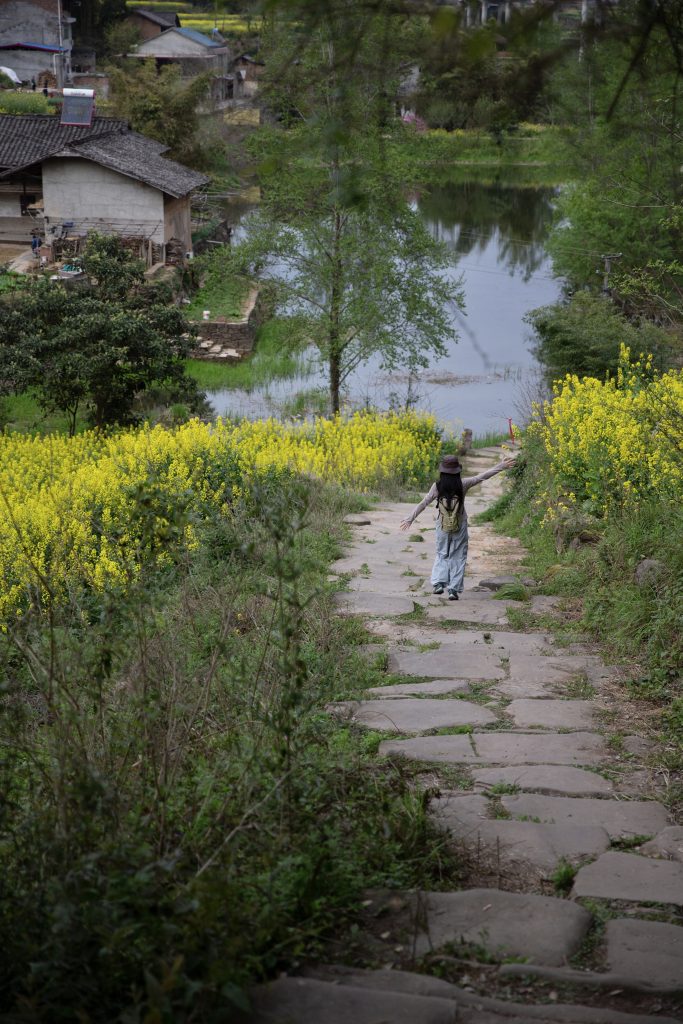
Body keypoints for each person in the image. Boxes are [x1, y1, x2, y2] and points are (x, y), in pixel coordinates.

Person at [400, 452, 516, 600]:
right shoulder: (463, 484)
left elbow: (424, 503)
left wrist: (410, 518)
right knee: (458, 556)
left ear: (442, 471)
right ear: (457, 471)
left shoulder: (437, 486)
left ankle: (438, 584)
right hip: (459, 525)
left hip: (442, 525)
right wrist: (501, 466)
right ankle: (453, 590)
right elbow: (483, 476)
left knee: (442, 554)